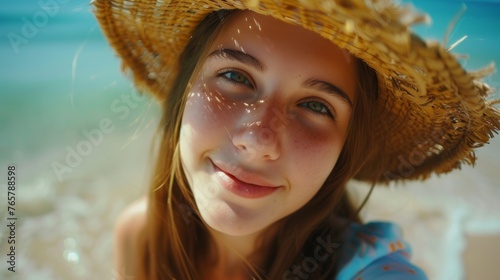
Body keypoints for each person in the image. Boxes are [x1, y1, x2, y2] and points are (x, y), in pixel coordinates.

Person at [93, 0, 500, 279]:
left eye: (317, 106)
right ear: (185, 86)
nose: (259, 140)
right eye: (236, 76)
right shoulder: (142, 236)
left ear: (345, 150)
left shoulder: (364, 268)